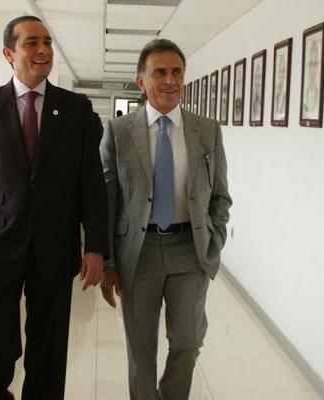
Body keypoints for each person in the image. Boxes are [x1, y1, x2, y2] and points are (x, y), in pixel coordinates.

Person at [0, 15, 108, 400]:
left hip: (56, 246)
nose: (43, 49)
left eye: (47, 42)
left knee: (48, 350)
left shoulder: (76, 109)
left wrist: (96, 246)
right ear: (8, 54)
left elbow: (92, 185)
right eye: (32, 42)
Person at [100, 38, 232, 400]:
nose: (170, 80)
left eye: (177, 72)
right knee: (140, 349)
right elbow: (107, 202)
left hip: (190, 250)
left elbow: (220, 195)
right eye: (159, 72)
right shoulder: (119, 131)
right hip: (137, 253)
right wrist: (108, 261)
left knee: (188, 341)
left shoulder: (206, 130)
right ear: (141, 80)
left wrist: (215, 241)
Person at [302, 40, 319, 119]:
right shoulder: (304, 90)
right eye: (311, 64)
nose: (312, 69)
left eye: (315, 63)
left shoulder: (318, 90)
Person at [273, 53, 287, 120]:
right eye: (280, 71)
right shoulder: (274, 91)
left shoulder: (286, 92)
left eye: (283, 71)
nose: (281, 74)